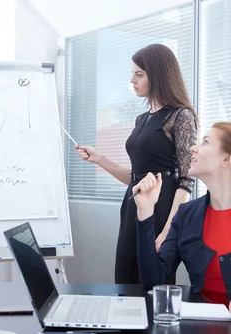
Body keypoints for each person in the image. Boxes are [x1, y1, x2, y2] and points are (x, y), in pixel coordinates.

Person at [75, 43, 198, 284]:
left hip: (160, 209)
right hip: (133, 205)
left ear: (159, 75)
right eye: (133, 73)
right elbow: (135, 177)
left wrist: (168, 230)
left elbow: (186, 180)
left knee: (151, 283)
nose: (132, 80)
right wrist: (99, 159)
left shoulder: (180, 116)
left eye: (139, 74)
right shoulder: (142, 118)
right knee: (125, 279)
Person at [133, 122, 231, 306]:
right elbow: (153, 282)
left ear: (227, 159)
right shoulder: (186, 215)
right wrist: (145, 211)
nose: (193, 148)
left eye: (205, 142)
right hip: (200, 329)